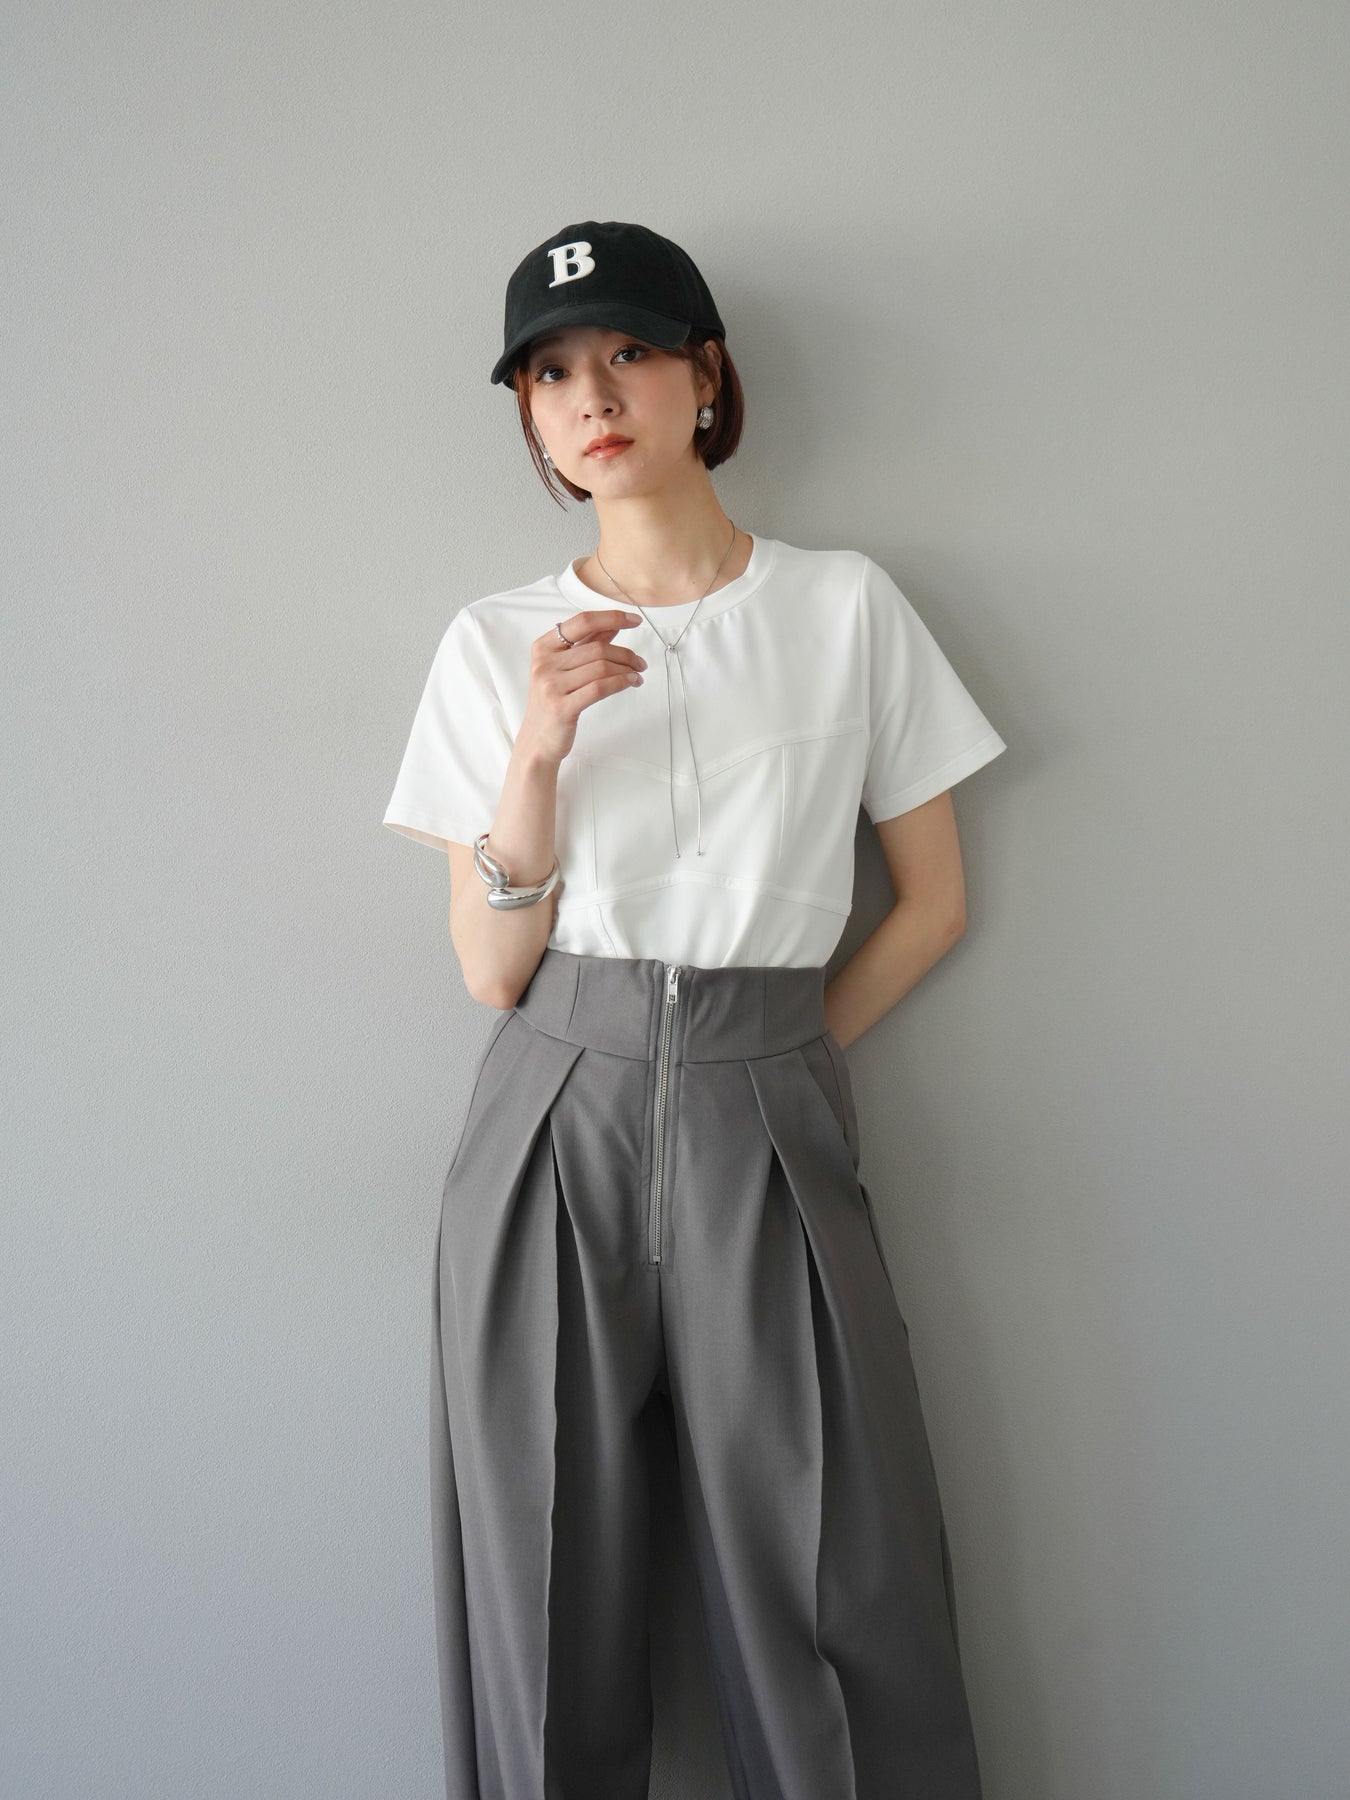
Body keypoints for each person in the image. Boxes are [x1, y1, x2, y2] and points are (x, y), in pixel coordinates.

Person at [383, 218, 1005, 1800]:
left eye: (631, 354)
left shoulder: (843, 608)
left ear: (705, 378)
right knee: (539, 1587)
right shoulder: (493, 643)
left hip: (765, 1105)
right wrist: (535, 750)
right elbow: (489, 970)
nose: (594, 396)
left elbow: (931, 903)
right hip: (551, 1121)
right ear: (529, 419)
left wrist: (768, 1063)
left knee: (837, 1581)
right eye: (551, 375)